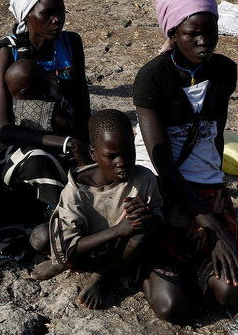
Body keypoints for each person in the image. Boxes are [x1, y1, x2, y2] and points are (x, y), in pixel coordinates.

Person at [134, 0, 238, 323]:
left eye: (210, 31)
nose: (204, 41)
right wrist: (211, 223)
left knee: (232, 293)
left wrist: (219, 195)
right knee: (173, 308)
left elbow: (216, 136)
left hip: (205, 188)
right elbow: (163, 164)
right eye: (192, 33)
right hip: (165, 187)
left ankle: (200, 263)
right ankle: (144, 269)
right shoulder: (152, 78)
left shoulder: (224, 71)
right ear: (173, 33)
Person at [0, 0, 91, 223]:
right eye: (48, 13)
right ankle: (62, 231)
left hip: (67, 131)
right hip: (16, 141)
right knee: (41, 162)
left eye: (61, 12)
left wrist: (83, 143)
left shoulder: (71, 44)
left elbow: (82, 105)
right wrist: (65, 143)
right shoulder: (8, 52)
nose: (57, 19)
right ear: (27, 16)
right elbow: (2, 129)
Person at [31, 110, 162, 308]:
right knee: (40, 237)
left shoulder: (144, 179)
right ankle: (63, 264)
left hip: (120, 253)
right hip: (86, 247)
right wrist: (117, 230)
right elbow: (69, 248)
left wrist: (147, 213)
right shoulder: (76, 190)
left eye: (128, 153)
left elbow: (160, 221)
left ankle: (102, 276)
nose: (122, 163)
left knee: (146, 227)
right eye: (112, 156)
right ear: (93, 153)